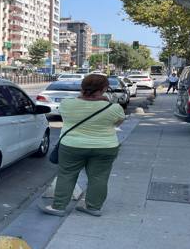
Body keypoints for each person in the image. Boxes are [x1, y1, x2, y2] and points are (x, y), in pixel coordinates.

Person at [41, 74, 126, 217]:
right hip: (105, 147)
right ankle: (93, 207)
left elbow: (65, 117)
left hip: (72, 146)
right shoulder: (114, 107)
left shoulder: (67, 104)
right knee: (99, 177)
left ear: (82, 87)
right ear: (104, 88)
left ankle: (58, 207)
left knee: (66, 175)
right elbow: (117, 123)